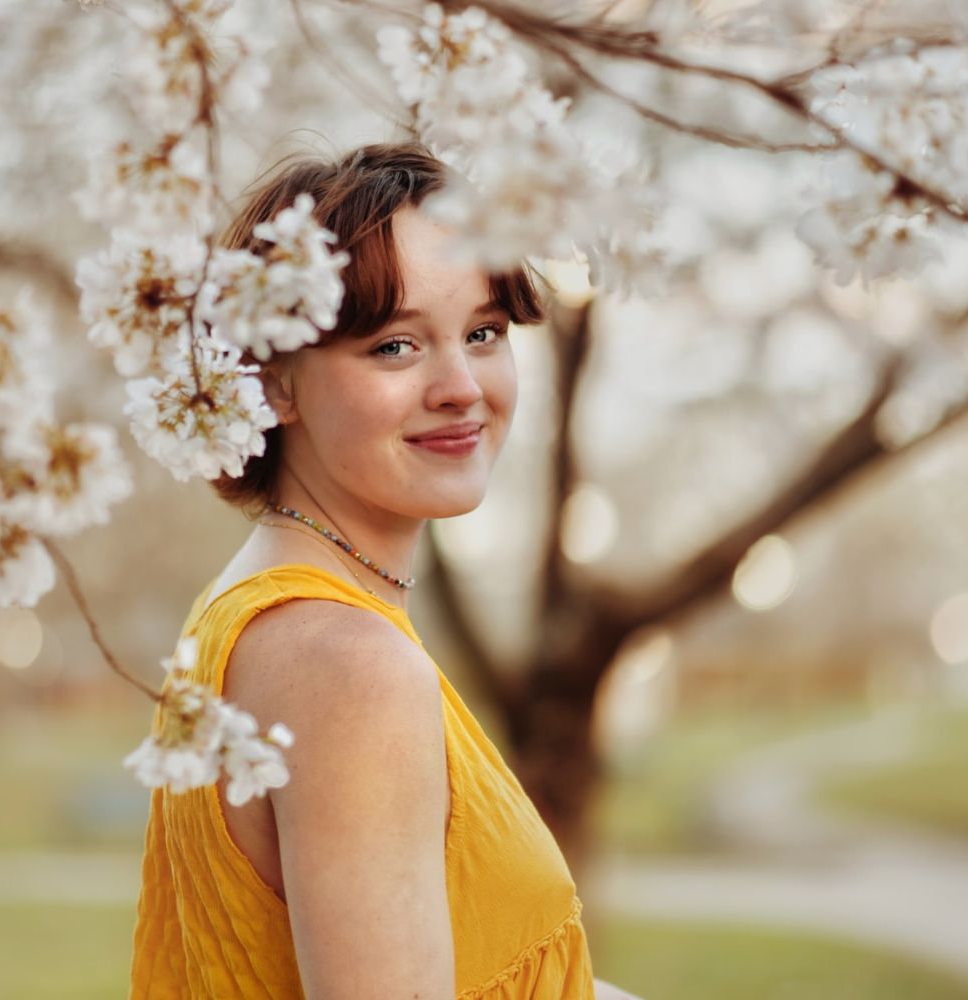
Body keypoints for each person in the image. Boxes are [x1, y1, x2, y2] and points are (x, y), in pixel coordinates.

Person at [129, 141, 640, 1000]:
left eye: (483, 333)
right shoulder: (346, 667)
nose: (459, 387)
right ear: (276, 381)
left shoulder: (264, 611)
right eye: (396, 346)